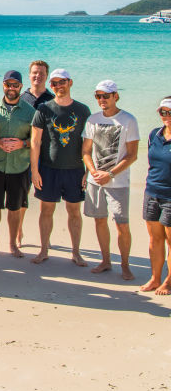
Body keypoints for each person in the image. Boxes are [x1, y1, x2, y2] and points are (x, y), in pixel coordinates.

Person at [30, 69, 91, 265]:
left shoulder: (83, 110)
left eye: (61, 82)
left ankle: (76, 252)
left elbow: (89, 144)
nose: (58, 86)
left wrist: (88, 171)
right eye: (54, 83)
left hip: (75, 170)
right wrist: (34, 170)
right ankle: (43, 250)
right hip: (48, 169)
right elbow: (35, 142)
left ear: (70, 83)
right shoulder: (44, 109)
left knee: (74, 212)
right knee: (46, 211)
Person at [81, 80, 139, 280]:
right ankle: (105, 261)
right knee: (100, 221)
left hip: (118, 182)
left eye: (106, 95)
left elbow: (132, 155)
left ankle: (125, 265)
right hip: (95, 181)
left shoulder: (128, 120)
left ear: (116, 96)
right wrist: (93, 172)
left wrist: (110, 174)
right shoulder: (92, 120)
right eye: (98, 96)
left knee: (122, 224)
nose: (102, 100)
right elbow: (86, 151)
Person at [0, 70, 35, 258]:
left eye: (15, 85)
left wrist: (22, 143)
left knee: (15, 207)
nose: (11, 88)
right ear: (3, 85)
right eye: (7, 84)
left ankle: (13, 244)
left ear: (21, 86)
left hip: (19, 166)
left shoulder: (30, 112)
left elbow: (36, 140)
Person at [18, 60, 53, 246]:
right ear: (29, 75)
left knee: (44, 199)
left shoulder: (51, 99)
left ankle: (44, 240)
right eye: (34, 73)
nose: (37, 76)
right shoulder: (22, 98)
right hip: (24, 154)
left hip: (45, 156)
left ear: (46, 76)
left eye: (41, 73)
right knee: (23, 197)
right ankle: (19, 232)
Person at [140, 97, 171, 294]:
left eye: (170, 112)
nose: (167, 116)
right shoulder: (154, 134)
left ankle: (168, 281)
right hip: (152, 192)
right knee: (154, 238)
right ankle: (155, 278)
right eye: (163, 112)